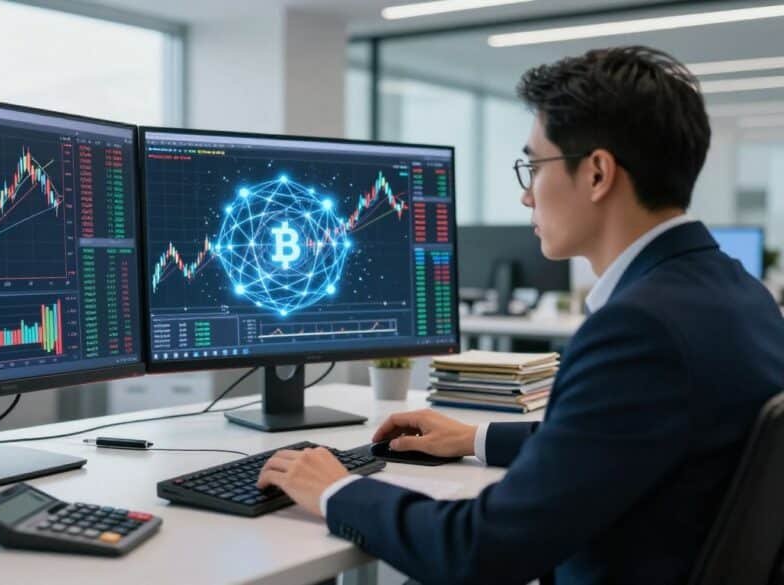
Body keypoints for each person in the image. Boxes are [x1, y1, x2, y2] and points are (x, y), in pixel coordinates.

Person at [257, 46, 784, 584]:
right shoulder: (739, 294)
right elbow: (620, 439)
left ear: (598, 173)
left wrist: (337, 489)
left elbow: (480, 550)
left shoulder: (640, 329)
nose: (528, 195)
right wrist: (474, 438)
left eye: (534, 166)